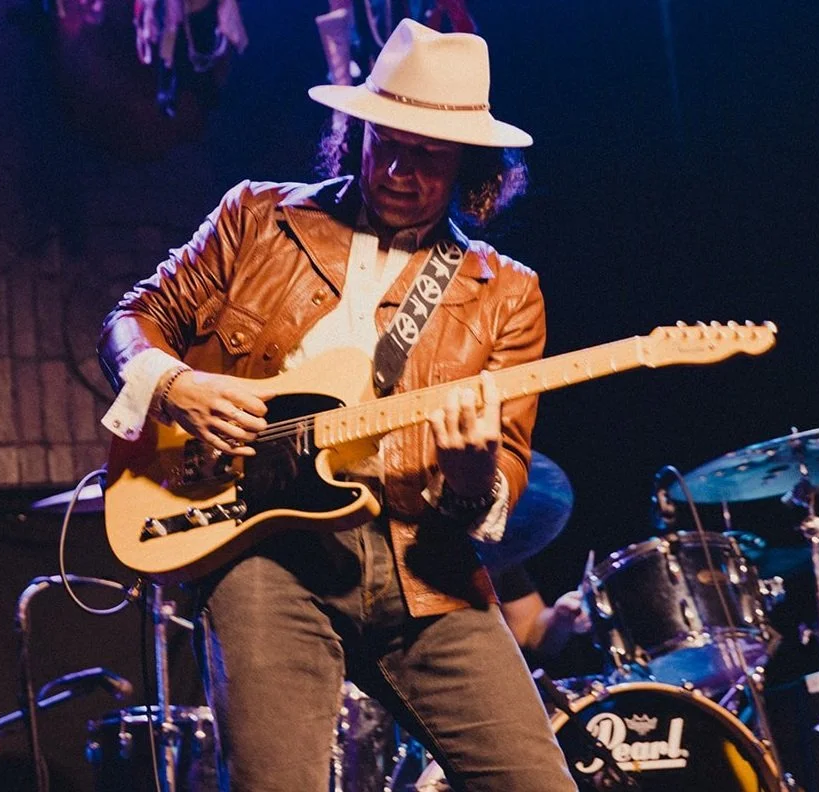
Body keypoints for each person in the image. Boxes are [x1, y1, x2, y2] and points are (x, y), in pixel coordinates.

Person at [97, 18, 576, 792]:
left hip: (423, 567)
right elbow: (132, 318)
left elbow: (502, 479)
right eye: (384, 140)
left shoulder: (507, 292)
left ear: (470, 165)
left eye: (428, 155)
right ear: (354, 128)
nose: (397, 168)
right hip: (264, 552)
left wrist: (470, 472)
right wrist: (175, 384)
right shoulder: (257, 217)